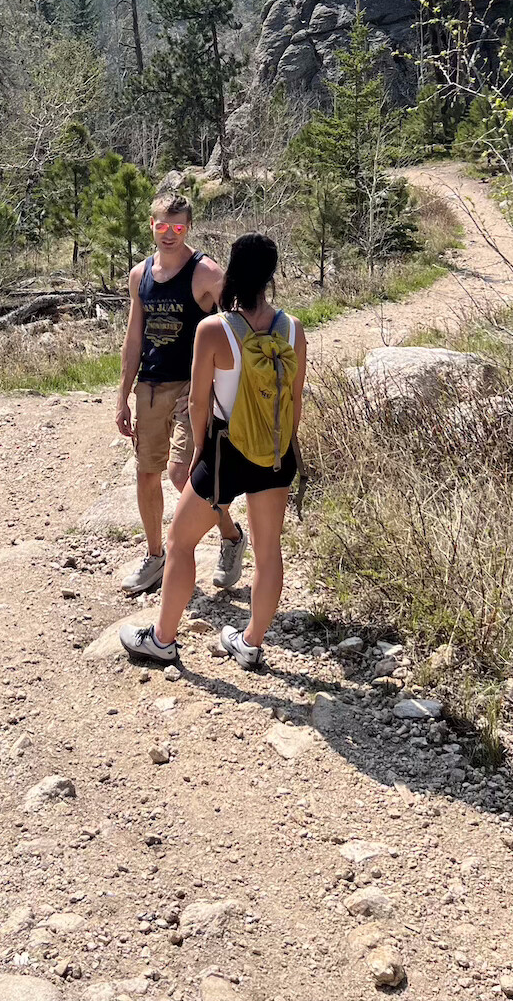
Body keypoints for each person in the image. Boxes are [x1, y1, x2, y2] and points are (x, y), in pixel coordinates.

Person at [120, 232, 307, 670]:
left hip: (226, 450)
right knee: (269, 552)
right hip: (277, 452)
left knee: (179, 542)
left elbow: (198, 402)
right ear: (270, 275)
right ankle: (251, 642)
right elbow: (295, 400)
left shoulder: (214, 329)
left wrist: (200, 448)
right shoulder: (292, 328)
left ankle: (163, 639)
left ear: (233, 272)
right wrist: (281, 444)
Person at [115, 194, 248, 596]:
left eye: (178, 227)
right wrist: (122, 395)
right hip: (151, 386)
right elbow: (134, 336)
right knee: (146, 472)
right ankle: (155, 557)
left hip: (193, 388)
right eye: (162, 225)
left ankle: (230, 536)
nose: (169, 234)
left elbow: (236, 326)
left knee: (183, 474)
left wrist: (217, 379)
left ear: (187, 227)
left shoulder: (206, 273)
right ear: (151, 224)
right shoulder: (141, 275)